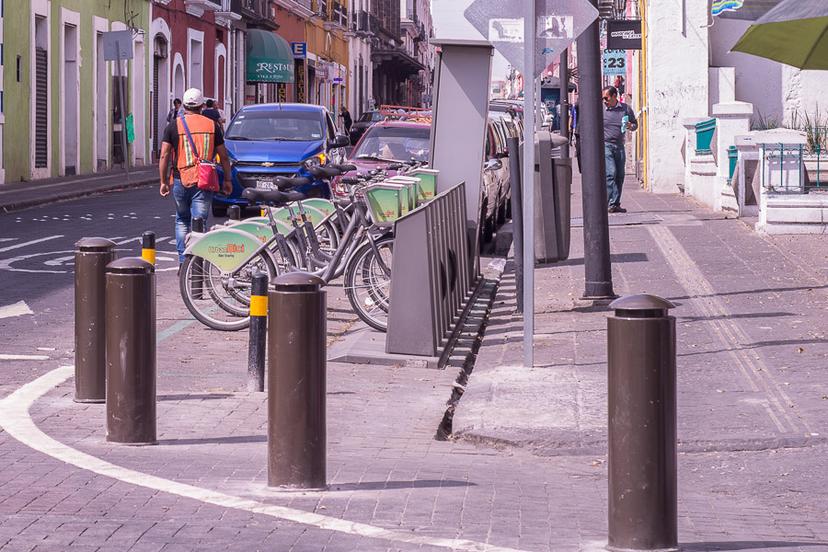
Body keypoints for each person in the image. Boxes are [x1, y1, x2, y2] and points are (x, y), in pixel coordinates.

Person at [158, 88, 233, 267]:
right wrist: (228, 180)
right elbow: (223, 156)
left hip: (179, 179)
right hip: (204, 180)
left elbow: (164, 155)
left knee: (181, 219)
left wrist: (162, 182)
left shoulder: (174, 125)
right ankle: (197, 264)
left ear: (184, 106)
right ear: (201, 106)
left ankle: (184, 262)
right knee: (199, 222)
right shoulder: (212, 125)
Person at [602, 85, 637, 213]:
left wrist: (630, 126)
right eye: (603, 98)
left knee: (620, 175)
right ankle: (607, 203)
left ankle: (615, 203)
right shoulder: (601, 109)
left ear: (614, 97)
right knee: (611, 173)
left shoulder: (625, 109)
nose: (604, 101)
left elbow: (635, 125)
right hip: (606, 144)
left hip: (619, 145)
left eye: (606, 98)